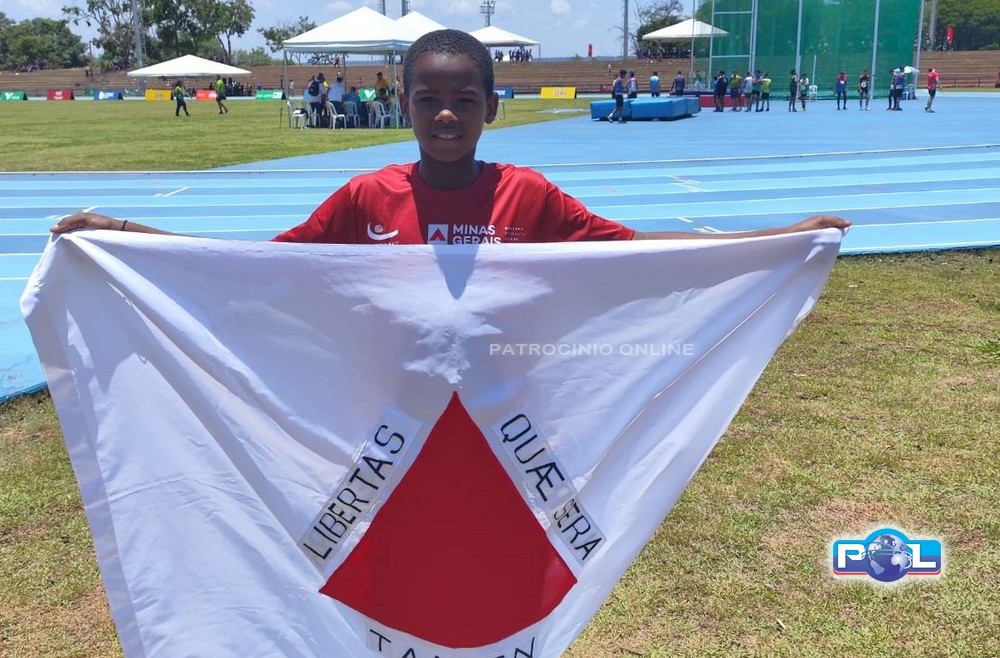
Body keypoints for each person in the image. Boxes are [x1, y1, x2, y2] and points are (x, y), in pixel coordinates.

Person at [52, 30, 848, 246]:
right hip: (394, 418)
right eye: (427, 99)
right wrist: (120, 233)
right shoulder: (367, 198)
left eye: (462, 100)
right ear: (403, 107)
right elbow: (251, 267)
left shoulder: (528, 197)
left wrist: (778, 236)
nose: (444, 114)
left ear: (490, 110)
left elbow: (638, 248)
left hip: (508, 413)